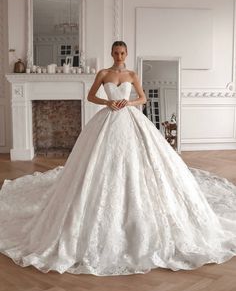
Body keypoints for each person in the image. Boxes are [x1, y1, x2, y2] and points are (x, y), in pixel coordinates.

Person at [0, 41, 236, 276]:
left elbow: (143, 98)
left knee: (139, 162)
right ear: (111, 53)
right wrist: (108, 102)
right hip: (108, 118)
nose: (119, 55)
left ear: (126, 53)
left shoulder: (132, 74)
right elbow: (91, 95)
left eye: (122, 52)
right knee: (98, 162)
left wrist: (128, 102)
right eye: (116, 52)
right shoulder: (104, 73)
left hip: (130, 118)